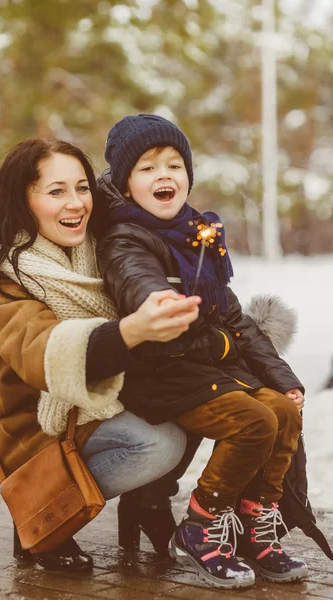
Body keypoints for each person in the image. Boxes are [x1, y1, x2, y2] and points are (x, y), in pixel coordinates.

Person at [0, 138, 203, 572]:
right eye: (56, 192)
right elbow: (40, 351)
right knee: (161, 444)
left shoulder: (96, 246)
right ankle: (43, 507)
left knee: (199, 393)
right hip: (33, 428)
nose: (76, 203)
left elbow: (138, 199)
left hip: (96, 404)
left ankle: (146, 501)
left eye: (82, 188)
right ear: (21, 201)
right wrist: (129, 332)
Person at [96, 113, 308, 588]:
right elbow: (141, 288)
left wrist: (283, 376)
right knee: (255, 421)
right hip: (159, 373)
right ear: (127, 184)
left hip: (201, 369)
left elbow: (235, 318)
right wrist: (163, 303)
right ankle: (201, 524)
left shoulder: (197, 235)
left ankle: (256, 521)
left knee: (281, 410)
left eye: (174, 165)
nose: (164, 175)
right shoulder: (125, 237)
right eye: (147, 168)